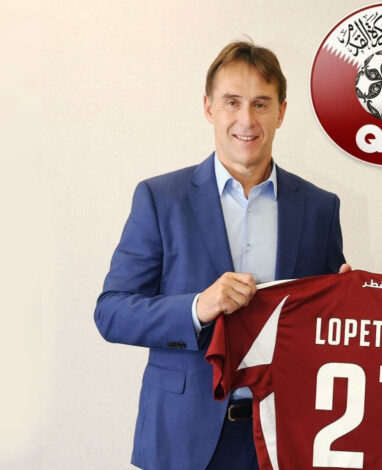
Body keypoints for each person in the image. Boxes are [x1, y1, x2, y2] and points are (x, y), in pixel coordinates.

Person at [95, 41, 348, 470]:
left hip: (284, 437)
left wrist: (366, 295)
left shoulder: (320, 207)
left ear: (281, 112)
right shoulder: (160, 198)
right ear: (208, 107)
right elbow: (112, 312)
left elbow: (328, 322)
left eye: (261, 104)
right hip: (182, 439)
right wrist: (198, 307)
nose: (246, 119)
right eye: (232, 102)